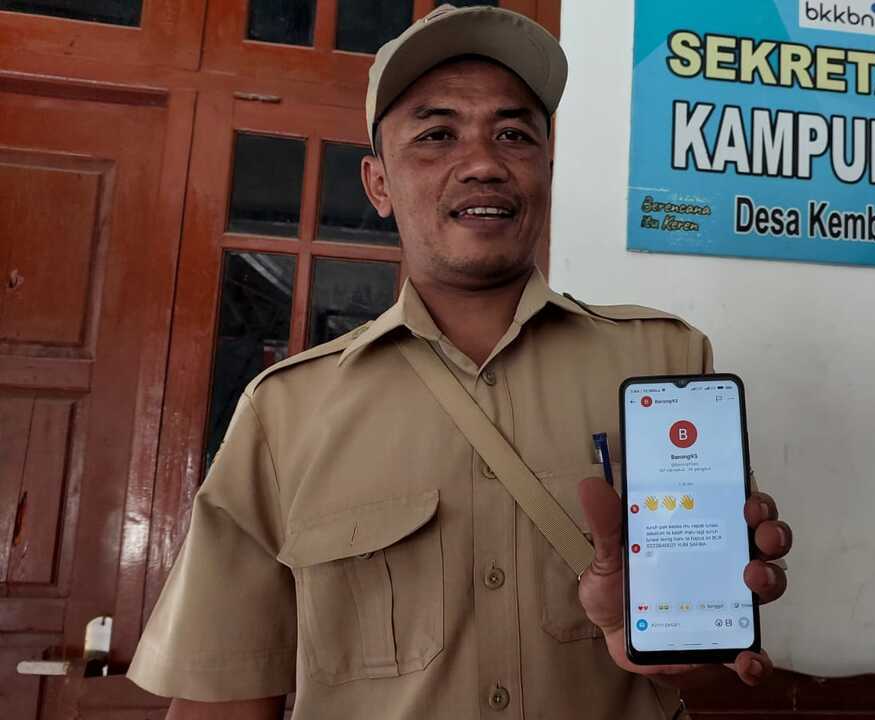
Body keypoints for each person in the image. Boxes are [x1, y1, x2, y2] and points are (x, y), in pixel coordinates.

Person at [128, 6, 792, 719]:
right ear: (378, 185)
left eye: (514, 135)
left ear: (547, 169)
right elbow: (223, 697)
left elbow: (721, 673)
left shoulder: (662, 361)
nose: (483, 164)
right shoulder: (284, 413)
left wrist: (679, 650)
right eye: (437, 135)